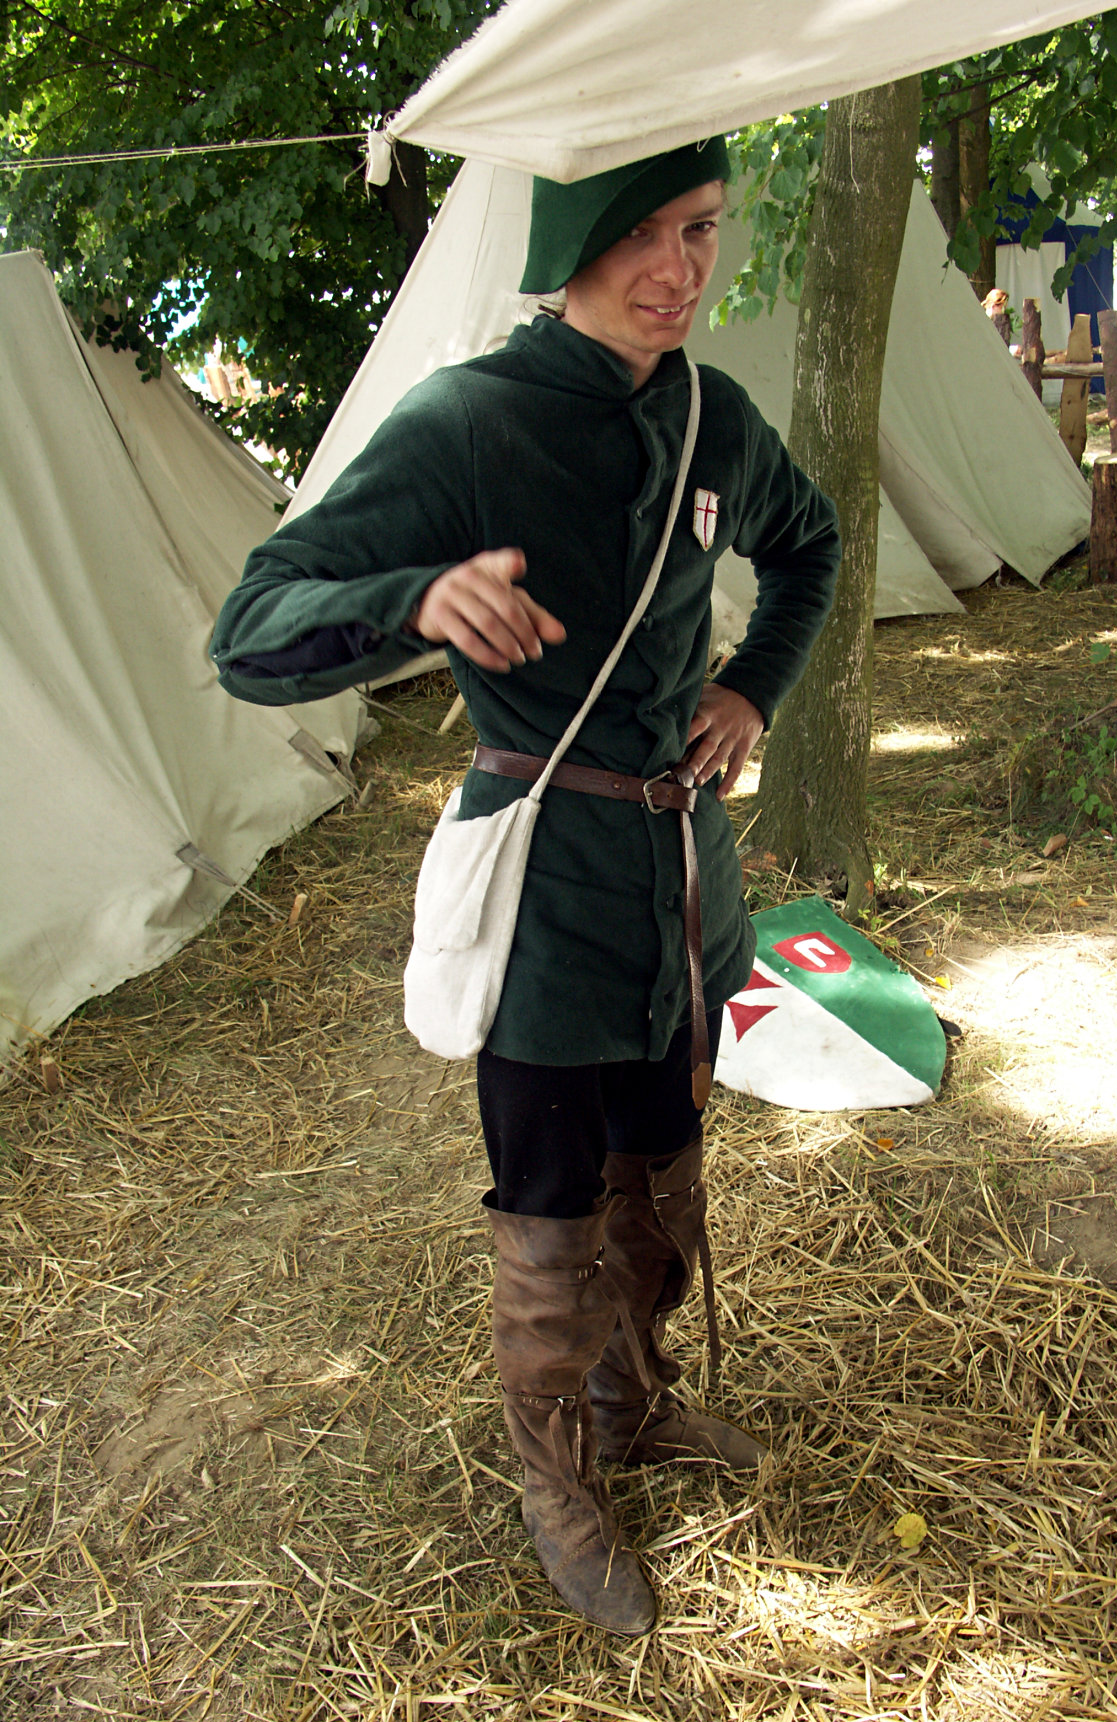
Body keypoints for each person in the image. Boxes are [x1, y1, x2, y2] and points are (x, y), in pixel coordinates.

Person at [210, 137, 840, 1636]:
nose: (680, 271)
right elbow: (251, 629)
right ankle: (557, 1487)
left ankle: (633, 1400)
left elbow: (809, 544)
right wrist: (416, 598)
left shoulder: (712, 416)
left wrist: (751, 686)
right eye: (644, 234)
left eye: (702, 230)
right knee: (552, 1205)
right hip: (544, 891)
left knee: (661, 1171)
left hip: (680, 876)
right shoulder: (466, 422)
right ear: (571, 247)